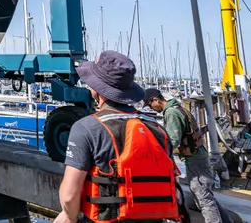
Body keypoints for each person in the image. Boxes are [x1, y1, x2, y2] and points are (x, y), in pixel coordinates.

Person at [55, 51, 180, 223]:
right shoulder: (158, 130)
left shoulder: (86, 128)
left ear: (96, 89)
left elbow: (69, 196)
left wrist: (69, 217)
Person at [144, 88, 231, 223]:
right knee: (205, 195)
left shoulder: (171, 113)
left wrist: (156, 154)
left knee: (203, 198)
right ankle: (227, 221)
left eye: (150, 105)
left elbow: (173, 140)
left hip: (195, 159)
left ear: (156, 100)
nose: (151, 108)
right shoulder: (177, 108)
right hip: (198, 156)